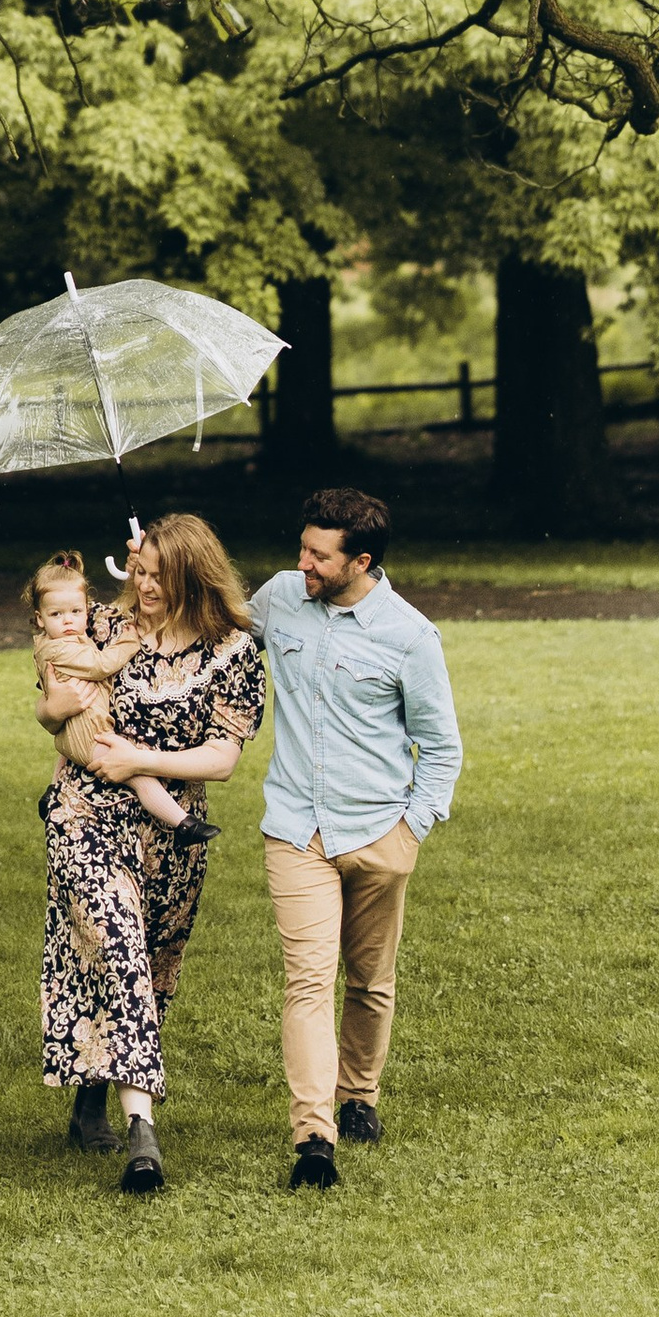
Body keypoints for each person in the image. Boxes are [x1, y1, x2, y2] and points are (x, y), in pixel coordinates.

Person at [35, 509, 266, 1195]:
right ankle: (144, 1132)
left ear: (194, 576)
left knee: (150, 967)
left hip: (173, 832)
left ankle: (89, 1099)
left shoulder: (233, 653)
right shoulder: (105, 626)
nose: (146, 587)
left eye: (160, 577)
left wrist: (138, 756)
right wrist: (50, 713)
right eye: (140, 573)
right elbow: (51, 694)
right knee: (118, 945)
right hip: (85, 814)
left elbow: (221, 760)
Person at [249, 484, 463, 1191]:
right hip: (295, 829)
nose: (301, 563)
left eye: (318, 555)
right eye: (303, 548)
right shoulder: (280, 596)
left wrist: (412, 831)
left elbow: (440, 748)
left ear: (360, 560)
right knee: (307, 981)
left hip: (379, 831)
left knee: (369, 981)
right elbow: (207, 624)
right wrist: (153, 566)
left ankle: (360, 1095)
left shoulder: (410, 635)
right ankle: (315, 1135)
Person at [23, 548, 213, 842]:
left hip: (79, 727)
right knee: (138, 775)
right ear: (39, 618)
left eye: (76, 611)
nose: (69, 620)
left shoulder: (67, 636)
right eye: (56, 614)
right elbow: (101, 665)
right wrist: (130, 640)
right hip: (90, 732)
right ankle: (183, 823)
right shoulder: (56, 647)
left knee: (68, 750)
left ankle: (51, 793)